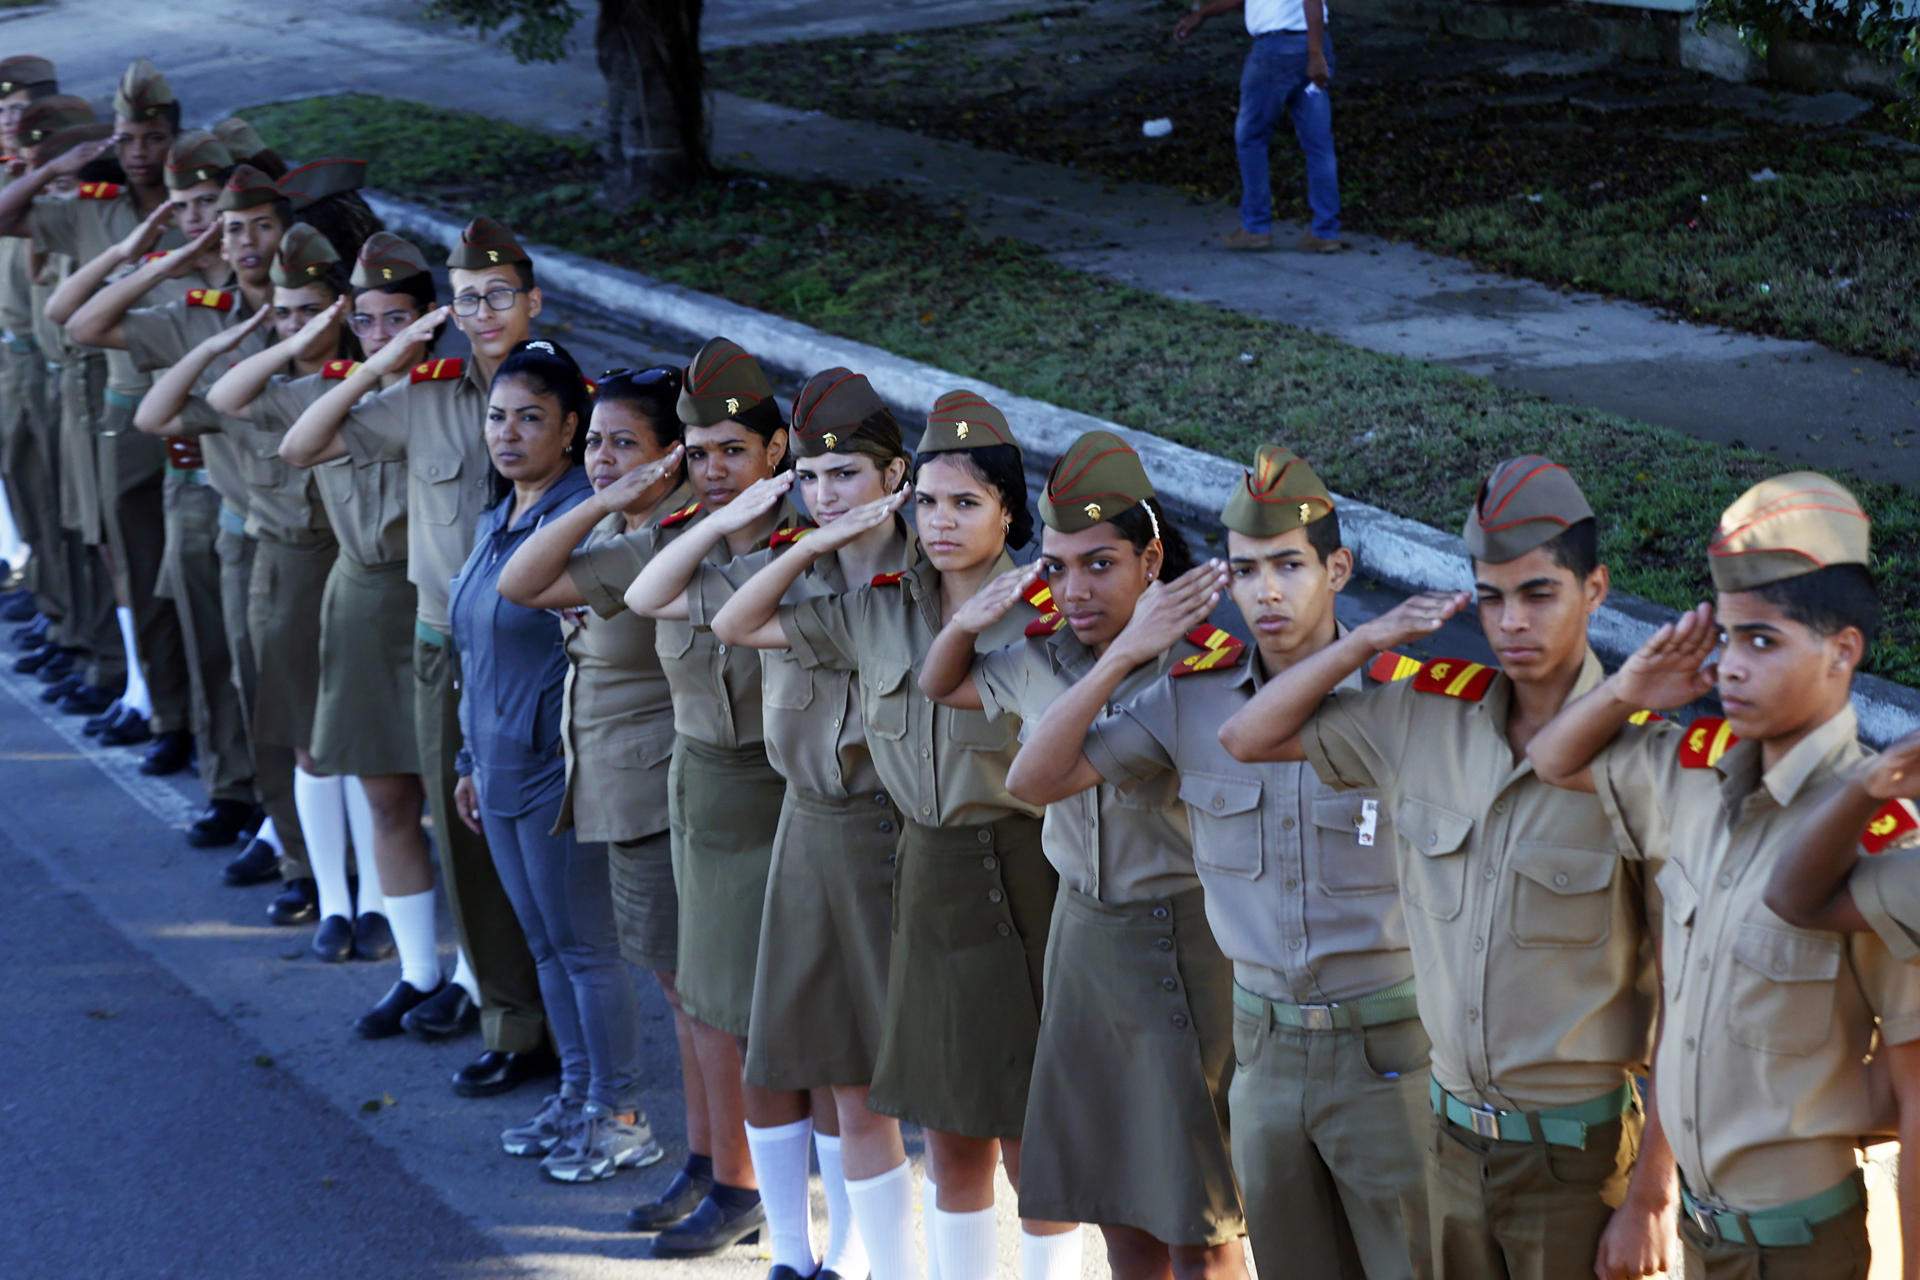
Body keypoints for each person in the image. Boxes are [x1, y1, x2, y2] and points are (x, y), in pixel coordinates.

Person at [1216, 455, 1676, 1280]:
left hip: (1577, 1162)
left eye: (1539, 593)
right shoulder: (1425, 720)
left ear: (1595, 590)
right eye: (1492, 597)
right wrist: (1365, 637)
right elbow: (1248, 737)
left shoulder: (1644, 762)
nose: (1511, 623)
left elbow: (1687, 1001)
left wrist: (1651, 1196)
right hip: (1450, 1147)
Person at [1005, 445, 1433, 1280]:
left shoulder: (1409, 701)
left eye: (1288, 566)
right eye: (1245, 570)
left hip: (1388, 1052)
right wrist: (1127, 654)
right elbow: (1038, 779)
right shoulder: (1193, 696)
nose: (1266, 591)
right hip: (1268, 1054)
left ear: (1337, 568)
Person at [1525, 472, 1919, 1279]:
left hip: (1799, 1246)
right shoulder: (1692, 782)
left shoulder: (1881, 840)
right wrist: (1631, 687)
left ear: (1843, 652)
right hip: (1704, 1237)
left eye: (1763, 642)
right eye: (1727, 639)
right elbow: (1551, 758)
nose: (1732, 668)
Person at [711, 391, 1066, 1280]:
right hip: (925, 873)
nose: (943, 523)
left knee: (1030, 1134)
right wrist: (820, 539)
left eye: (967, 503)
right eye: (931, 503)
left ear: (1010, 513)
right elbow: (736, 623)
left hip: (1022, 874)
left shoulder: (1047, 613)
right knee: (948, 1134)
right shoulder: (880, 608)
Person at [917, 429, 1237, 1280]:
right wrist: (976, 615)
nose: (1075, 589)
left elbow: (1042, 775)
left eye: (1099, 564)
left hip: (1183, 945)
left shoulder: (1200, 669)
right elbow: (942, 684)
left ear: (1152, 559)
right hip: (1084, 938)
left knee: (1197, 1221)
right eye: (1056, 568)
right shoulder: (1043, 655)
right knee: (1115, 1205)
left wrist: (1128, 654)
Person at [623, 366, 922, 1280]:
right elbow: (652, 598)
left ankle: (862, 1257)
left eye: (850, 478)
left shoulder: (929, 581)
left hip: (893, 835)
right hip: (803, 824)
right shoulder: (788, 571)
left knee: (870, 1077)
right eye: (816, 479)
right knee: (800, 1049)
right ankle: (797, 1255)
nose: (829, 496)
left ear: (894, 479)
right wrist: (770, 536)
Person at [281, 215, 554, 1099]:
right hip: (441, 640)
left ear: (531, 302)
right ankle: (501, 1012)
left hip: (528, 649)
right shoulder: (428, 396)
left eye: (498, 296)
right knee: (459, 828)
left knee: (527, 845)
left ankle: (533, 1022)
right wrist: (378, 363)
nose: (483, 313)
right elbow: (305, 443)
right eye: (468, 298)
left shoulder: (562, 392)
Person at [560, 335, 805, 1254]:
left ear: (776, 454)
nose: (712, 471)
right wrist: (633, 499)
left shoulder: (802, 553)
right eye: (697, 455)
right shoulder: (671, 541)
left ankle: (744, 1183)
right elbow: (524, 581)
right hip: (691, 785)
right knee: (691, 992)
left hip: (768, 792)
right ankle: (713, 1163)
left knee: (737, 1005)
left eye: (730, 452)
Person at [207, 231, 446, 1034]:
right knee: (380, 789)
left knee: (454, 805)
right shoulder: (337, 391)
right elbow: (229, 404)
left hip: (434, 603)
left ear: (430, 319)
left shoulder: (462, 396)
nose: (383, 334)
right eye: (369, 320)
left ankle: (479, 982)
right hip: (358, 599)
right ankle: (412, 967)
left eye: (398, 319)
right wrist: (321, 346)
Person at [445, 337, 662, 1182]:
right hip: (494, 765)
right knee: (541, 944)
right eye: (497, 416)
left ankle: (624, 1111)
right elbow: (476, 649)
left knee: (585, 948)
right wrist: (467, 757)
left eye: (530, 418)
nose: (508, 434)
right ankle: (578, 1096)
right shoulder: (497, 511)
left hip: (555, 769)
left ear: (571, 429)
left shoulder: (584, 516)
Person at [494, 365, 703, 1188]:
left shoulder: (671, 540)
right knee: (649, 978)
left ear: (669, 455)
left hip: (654, 790)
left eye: (625, 444)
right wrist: (605, 496)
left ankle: (671, 1144)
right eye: (594, 445)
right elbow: (521, 580)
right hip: (603, 781)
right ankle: (674, 1146)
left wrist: (609, 498)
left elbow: (524, 586)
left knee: (684, 993)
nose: (604, 459)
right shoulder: (619, 534)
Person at [0, 57, 193, 769]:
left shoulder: (197, 210)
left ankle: (192, 717)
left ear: (174, 136)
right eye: (128, 138)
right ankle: (164, 709)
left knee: (198, 581)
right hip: (123, 402)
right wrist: (69, 162)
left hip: (204, 415)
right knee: (136, 567)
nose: (140, 153)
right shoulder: (93, 204)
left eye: (152, 137)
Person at [11, 94, 121, 734]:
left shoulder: (95, 216)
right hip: (54, 373)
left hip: (91, 377)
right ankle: (78, 633)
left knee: (103, 537)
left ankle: (105, 654)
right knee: (66, 520)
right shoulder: (54, 210)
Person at [1176, 0, 1344, 254]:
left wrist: (1315, 54)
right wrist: (1202, 14)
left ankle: (1256, 228)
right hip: (1308, 47)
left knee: (1251, 138)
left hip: (1278, 51)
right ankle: (1325, 232)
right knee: (1319, 144)